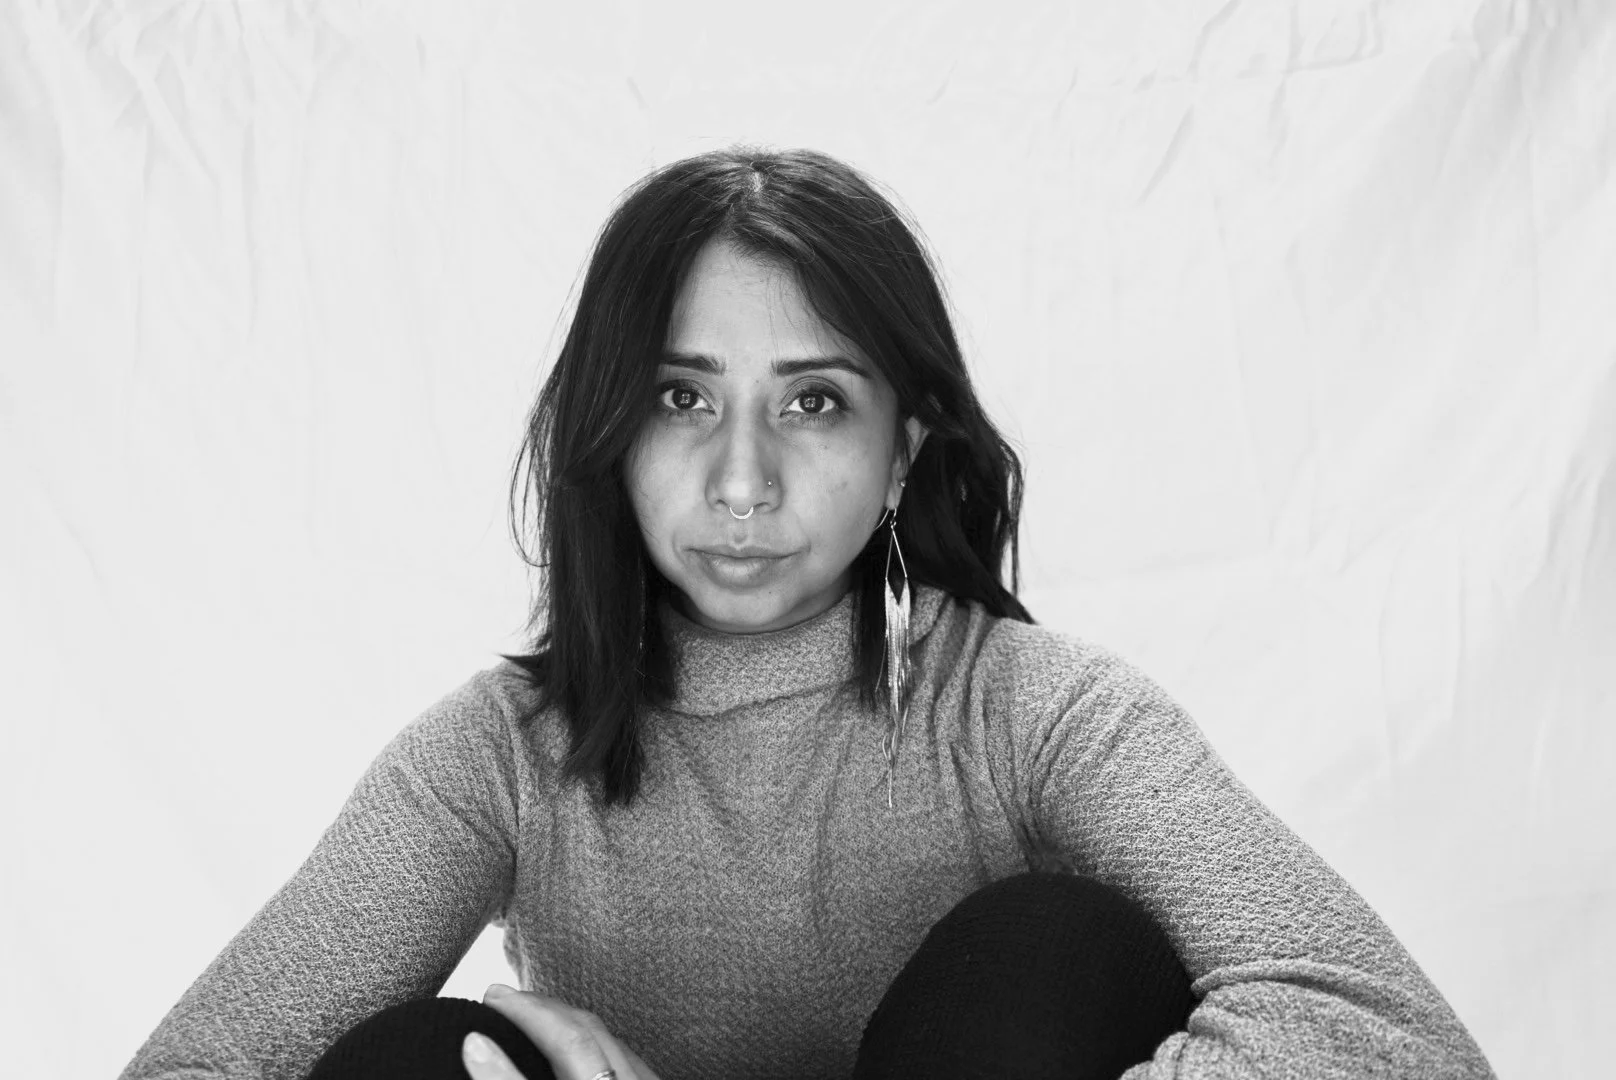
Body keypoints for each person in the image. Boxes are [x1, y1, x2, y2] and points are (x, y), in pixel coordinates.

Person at [118, 147, 1496, 1080]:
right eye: (683, 397)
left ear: (903, 451)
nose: (741, 480)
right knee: (434, 1063)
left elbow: (1396, 1040)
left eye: (814, 402)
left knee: (1057, 950)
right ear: (611, 431)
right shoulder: (498, 758)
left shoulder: (1037, 713)